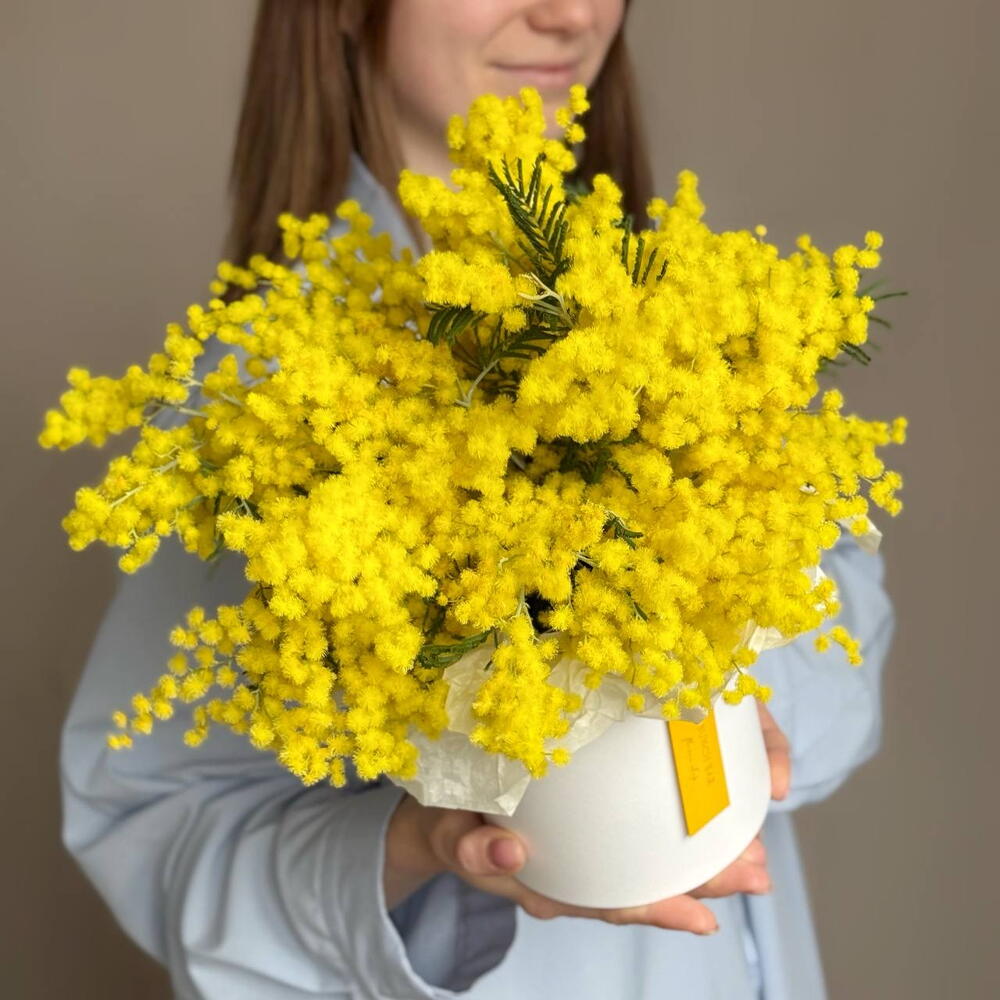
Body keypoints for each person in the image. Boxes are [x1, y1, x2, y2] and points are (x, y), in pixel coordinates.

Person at [59, 2, 897, 998]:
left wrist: (728, 672)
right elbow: (157, 833)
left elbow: (846, 652)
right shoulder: (270, 410)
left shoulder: (695, 317)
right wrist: (420, 847)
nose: (569, 13)